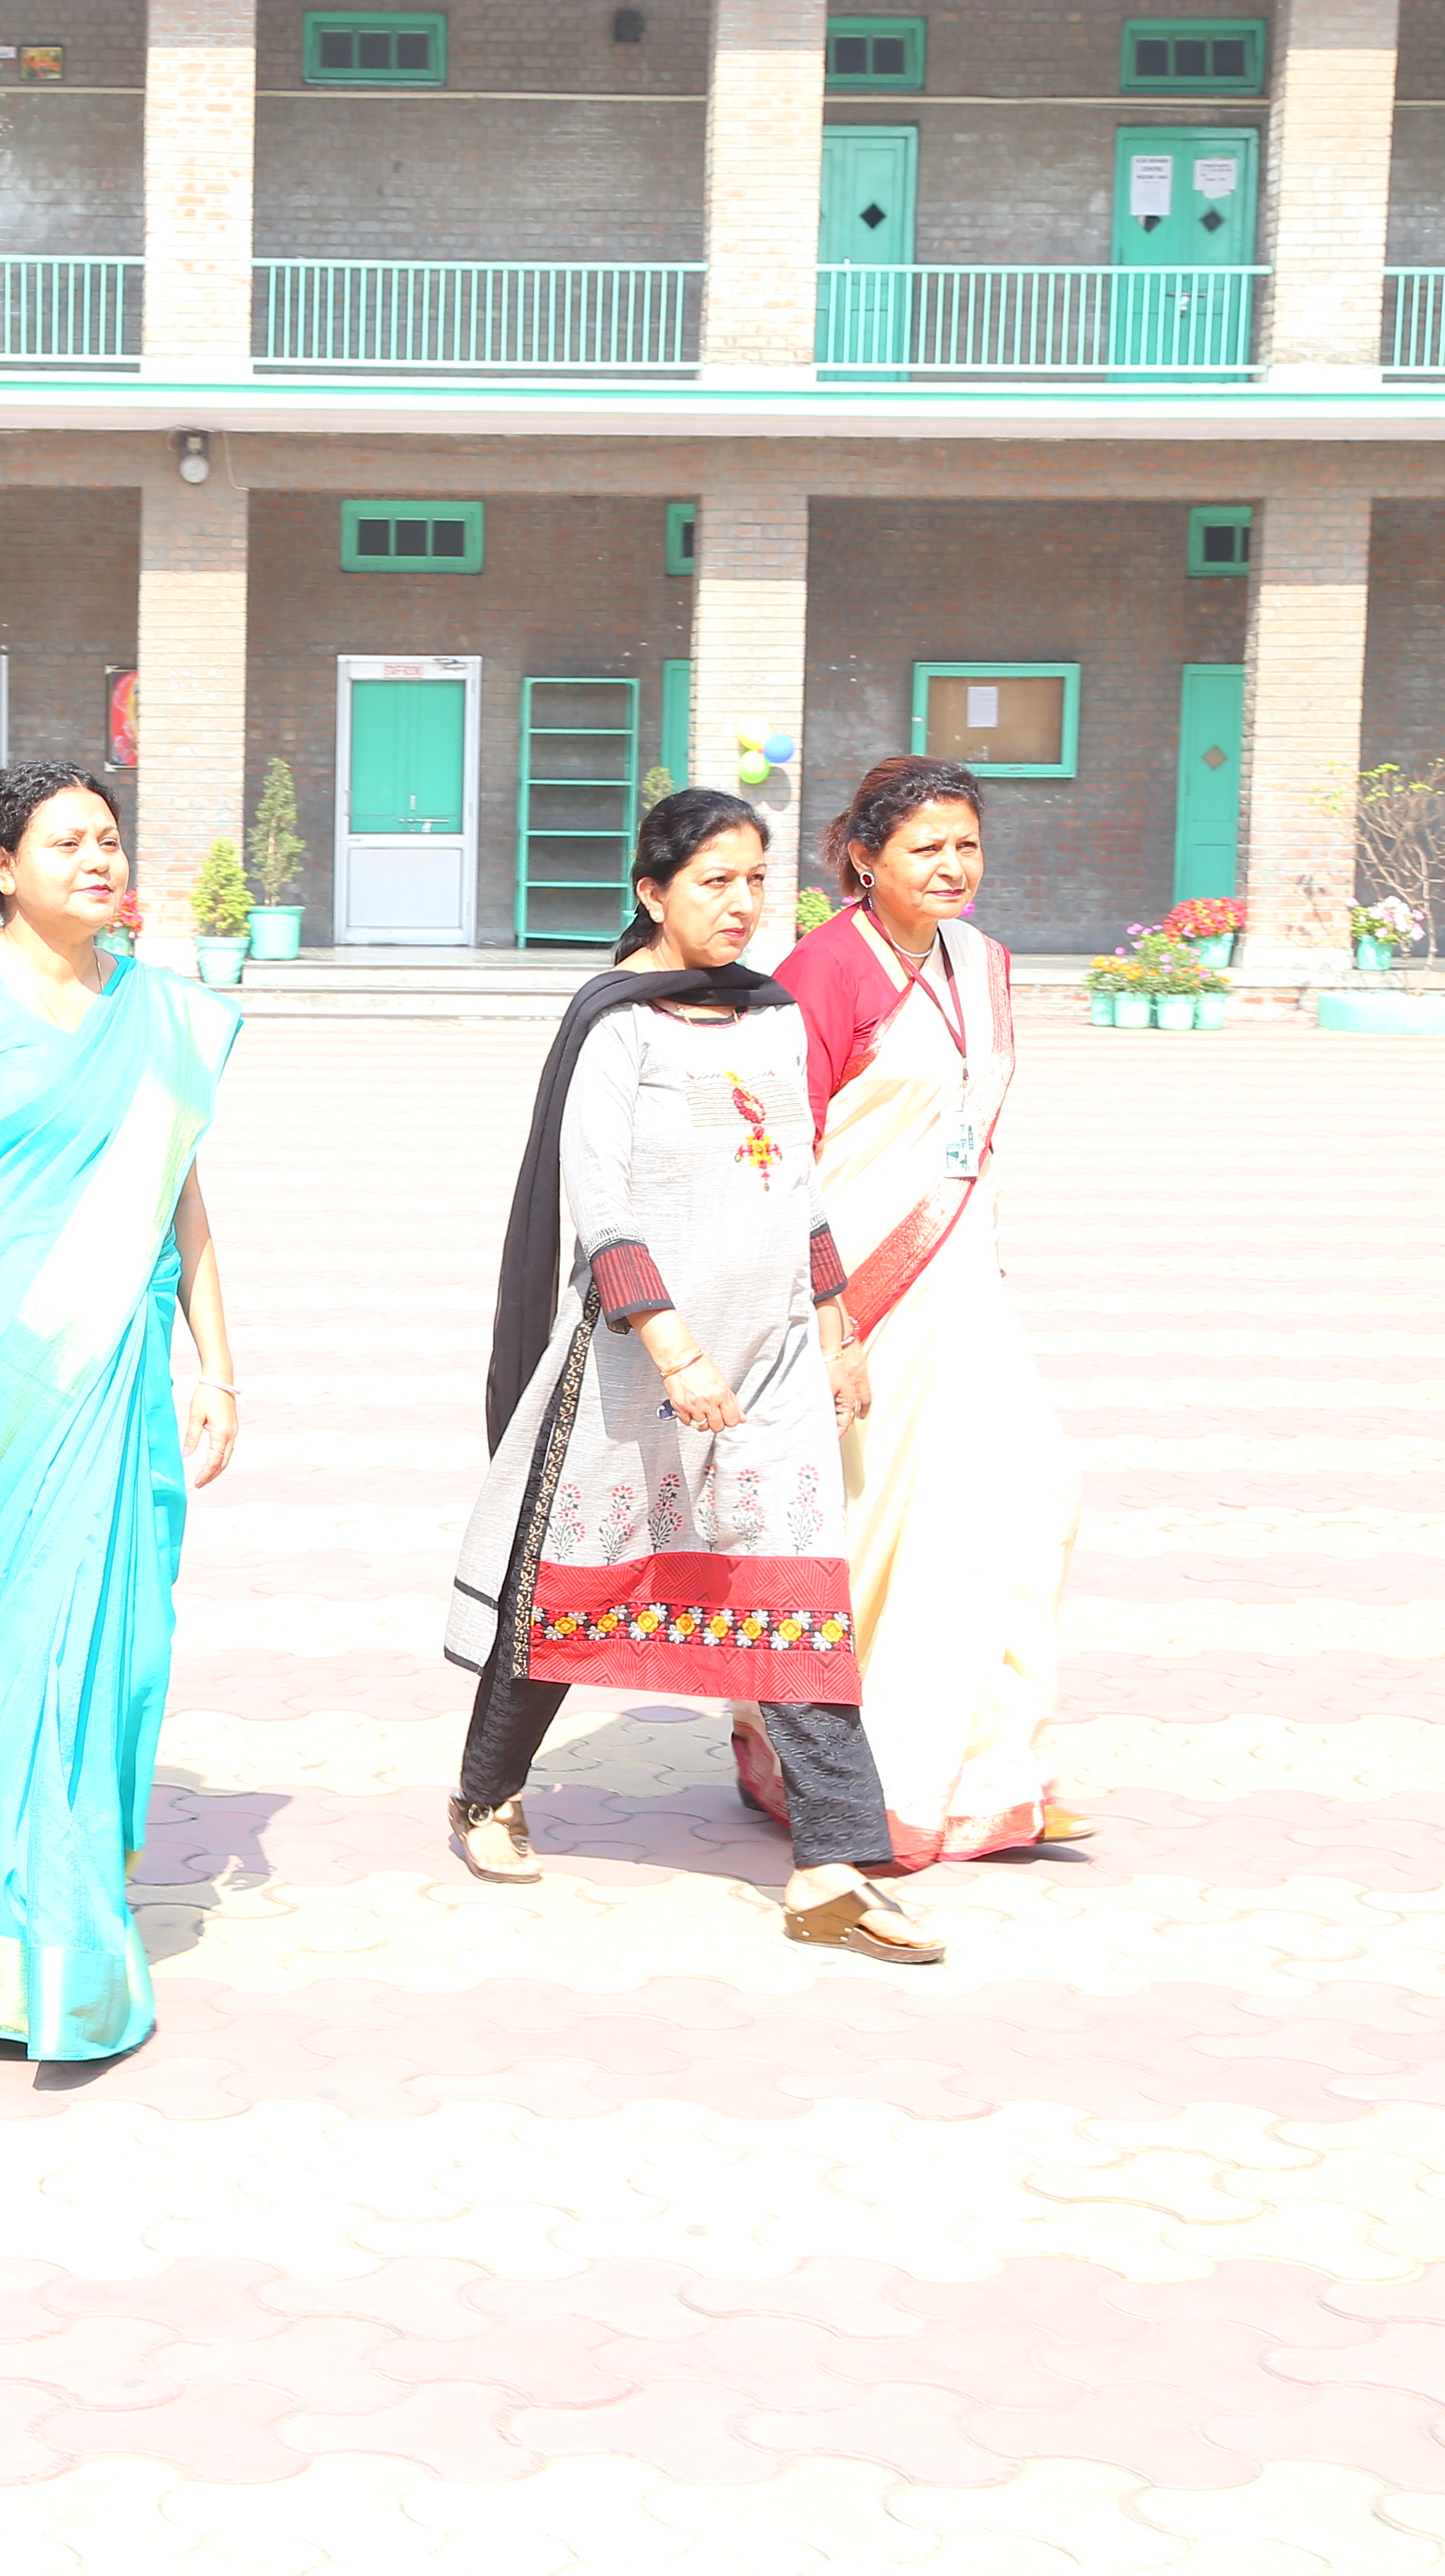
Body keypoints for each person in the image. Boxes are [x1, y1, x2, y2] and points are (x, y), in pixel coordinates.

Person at [444, 789, 939, 1967]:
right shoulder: (616, 1026)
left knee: (796, 1594)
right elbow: (599, 1206)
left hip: (770, 1359)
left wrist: (837, 1326)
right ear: (652, 891)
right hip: (636, 1360)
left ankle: (831, 1865)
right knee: (578, 1583)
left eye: (756, 878)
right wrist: (674, 1350)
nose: (742, 902)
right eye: (715, 880)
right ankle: (487, 1791)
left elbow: (799, 1184)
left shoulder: (771, 1016)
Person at [0, 758, 242, 2060]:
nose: (99, 860)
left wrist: (217, 1366)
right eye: (68, 841)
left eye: (109, 838)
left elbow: (182, 1199)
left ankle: (55, 1919)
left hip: (118, 1377)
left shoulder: (161, 1012)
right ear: (1, 866)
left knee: (107, 1642)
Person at [763, 754, 1086, 1864]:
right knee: (881, 1527)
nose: (954, 867)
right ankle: (861, 1774)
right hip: (855, 1297)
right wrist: (827, 1320)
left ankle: (993, 1767)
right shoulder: (821, 972)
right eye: (927, 848)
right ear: (865, 859)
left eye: (968, 845)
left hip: (961, 1287)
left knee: (1025, 1498)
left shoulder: (983, 965)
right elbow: (781, 1156)